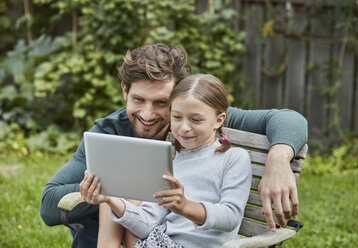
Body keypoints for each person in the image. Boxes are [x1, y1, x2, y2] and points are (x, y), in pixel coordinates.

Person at [40, 43, 308, 247]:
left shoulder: (198, 119)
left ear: (180, 94)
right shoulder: (109, 132)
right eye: (138, 100)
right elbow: (50, 204)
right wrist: (115, 189)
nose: (147, 114)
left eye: (161, 103)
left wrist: (278, 159)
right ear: (124, 90)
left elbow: (288, 119)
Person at [80, 73, 253, 247]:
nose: (184, 128)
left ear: (218, 120)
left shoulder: (234, 158)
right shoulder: (172, 161)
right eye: (177, 117)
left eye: (196, 120)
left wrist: (185, 206)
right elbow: (146, 225)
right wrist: (109, 199)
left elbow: (230, 217)